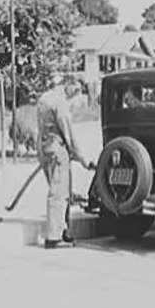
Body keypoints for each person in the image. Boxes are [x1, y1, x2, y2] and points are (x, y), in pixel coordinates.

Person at [37, 75, 94, 249]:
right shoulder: (60, 103)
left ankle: (64, 231)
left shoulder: (44, 98)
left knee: (62, 191)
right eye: (75, 90)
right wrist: (84, 160)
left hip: (44, 148)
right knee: (59, 193)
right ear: (68, 86)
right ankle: (54, 237)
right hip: (57, 148)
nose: (75, 95)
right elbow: (69, 135)